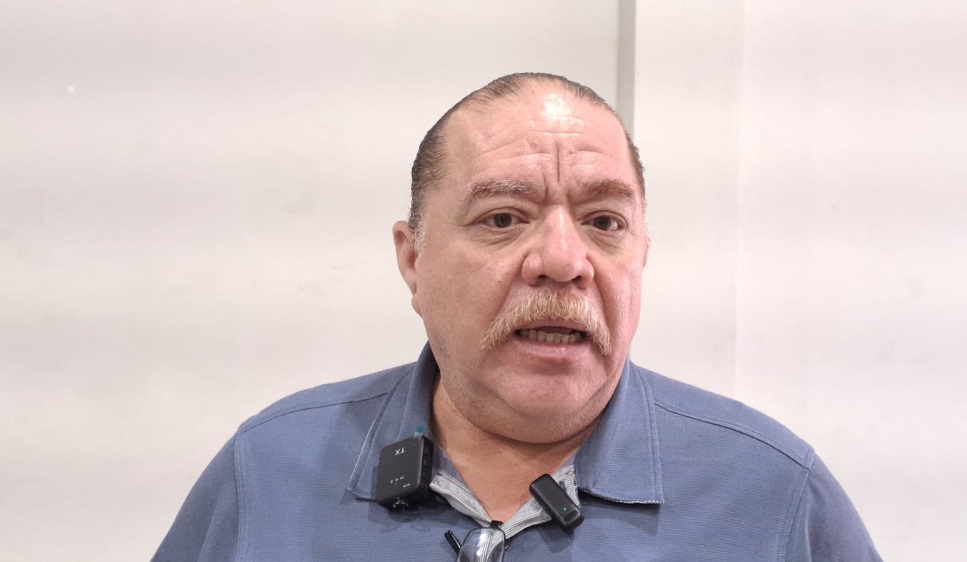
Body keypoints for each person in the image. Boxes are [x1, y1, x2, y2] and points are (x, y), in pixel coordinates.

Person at [154, 73, 881, 561]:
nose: (564, 261)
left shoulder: (772, 493)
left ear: (642, 254)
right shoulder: (269, 470)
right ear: (414, 260)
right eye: (503, 218)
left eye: (604, 222)